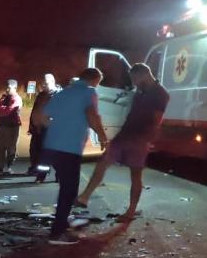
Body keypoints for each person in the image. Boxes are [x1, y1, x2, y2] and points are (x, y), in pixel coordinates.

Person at [76, 63, 170, 222]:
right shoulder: (141, 90)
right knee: (103, 161)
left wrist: (148, 140)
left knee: (135, 174)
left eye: (135, 79)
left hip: (140, 138)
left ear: (144, 75)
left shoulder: (161, 94)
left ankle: (131, 211)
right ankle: (84, 197)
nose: (133, 82)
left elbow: (157, 120)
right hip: (125, 134)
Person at [32, 68, 108, 245]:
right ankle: (57, 233)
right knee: (69, 190)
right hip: (69, 148)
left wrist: (57, 129)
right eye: (98, 82)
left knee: (66, 187)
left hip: (51, 146)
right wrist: (102, 136)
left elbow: (40, 118)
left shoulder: (63, 93)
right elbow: (92, 115)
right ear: (94, 80)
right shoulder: (89, 92)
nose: (97, 85)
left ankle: (62, 222)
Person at [28, 73, 62, 174]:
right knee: (35, 150)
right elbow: (35, 110)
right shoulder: (41, 95)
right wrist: (32, 125)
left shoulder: (59, 95)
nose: (43, 85)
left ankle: (57, 173)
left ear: (53, 82)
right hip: (38, 127)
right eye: (42, 83)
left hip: (51, 129)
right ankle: (38, 171)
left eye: (46, 83)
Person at [0, 79, 23, 174]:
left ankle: (9, 168)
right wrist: (2, 108)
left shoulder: (17, 99)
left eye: (9, 87)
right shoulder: (4, 97)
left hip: (12, 127)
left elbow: (7, 111)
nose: (7, 89)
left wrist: (1, 109)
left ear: (15, 88)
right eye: (6, 87)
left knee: (11, 149)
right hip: (1, 126)